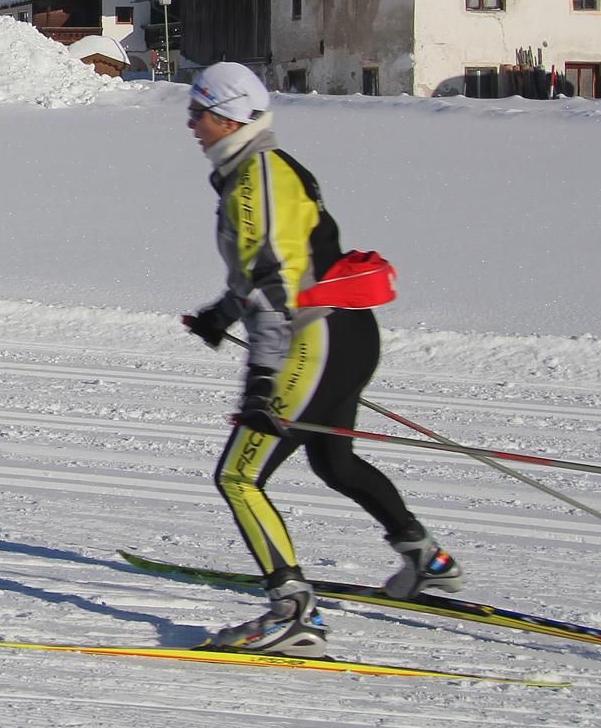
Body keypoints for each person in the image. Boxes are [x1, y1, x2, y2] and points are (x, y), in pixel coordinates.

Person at [179, 62, 462, 657]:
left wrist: (261, 384)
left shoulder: (254, 179)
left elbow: (275, 290)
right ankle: (427, 560)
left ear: (228, 117)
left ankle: (292, 613)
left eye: (198, 113)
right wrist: (221, 315)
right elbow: (284, 268)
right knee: (335, 462)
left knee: (238, 476)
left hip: (314, 340)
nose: (191, 125)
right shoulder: (263, 169)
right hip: (348, 335)